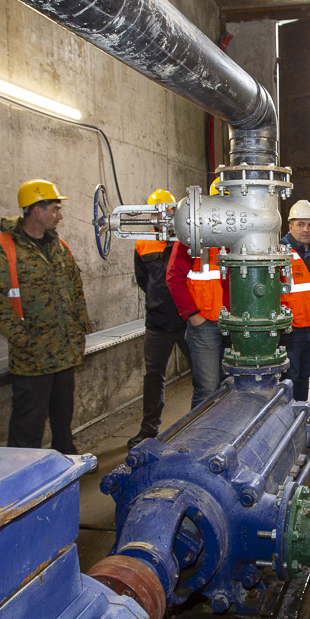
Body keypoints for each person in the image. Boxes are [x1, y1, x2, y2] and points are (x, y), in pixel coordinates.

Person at [0, 179, 88, 454]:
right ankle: (22, 473)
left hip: (64, 353)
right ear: (36, 211)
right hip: (32, 360)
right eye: (55, 209)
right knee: (28, 426)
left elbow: (76, 288)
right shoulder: (2, 249)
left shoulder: (59, 247)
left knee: (63, 419)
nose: (60, 216)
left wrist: (78, 329)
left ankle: (66, 463)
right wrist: (23, 339)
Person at [130, 189, 191, 448]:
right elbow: (143, 279)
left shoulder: (188, 239)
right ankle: (148, 430)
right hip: (157, 322)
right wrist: (158, 301)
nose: (162, 217)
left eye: (168, 212)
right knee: (154, 377)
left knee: (203, 374)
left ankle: (199, 426)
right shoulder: (143, 243)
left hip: (188, 320)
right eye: (157, 213)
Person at [167, 181, 232, 409]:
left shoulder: (241, 236)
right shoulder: (192, 234)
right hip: (205, 324)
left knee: (233, 385)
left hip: (235, 323)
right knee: (207, 388)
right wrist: (193, 315)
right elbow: (174, 276)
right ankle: (200, 430)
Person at [280, 201, 310, 401]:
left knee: (304, 377)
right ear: (290, 226)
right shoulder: (280, 253)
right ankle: (288, 416)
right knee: (288, 379)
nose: (306, 229)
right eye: (301, 224)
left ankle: (300, 414)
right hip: (291, 331)